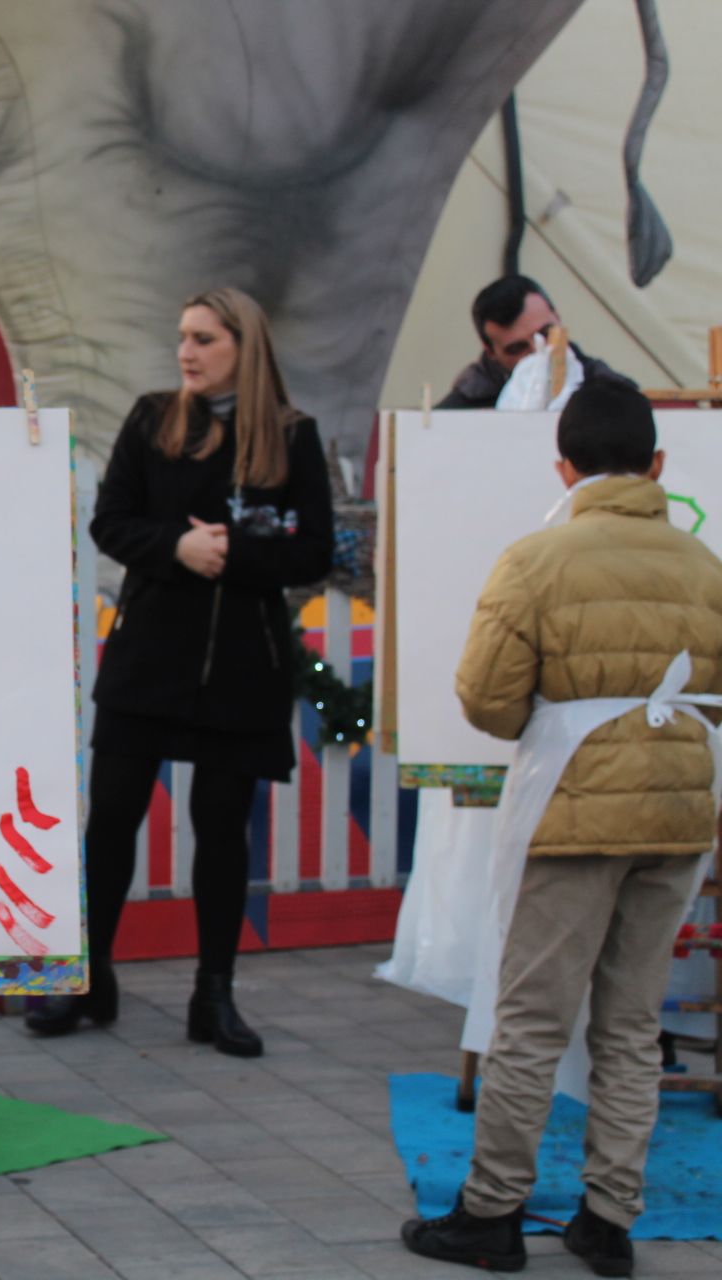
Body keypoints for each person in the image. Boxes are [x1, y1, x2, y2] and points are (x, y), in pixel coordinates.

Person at [401, 380, 722, 1277]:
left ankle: (492, 1212)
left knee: (532, 1020)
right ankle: (609, 1216)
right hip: (678, 811)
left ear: (565, 466)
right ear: (657, 466)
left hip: (573, 811)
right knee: (630, 1024)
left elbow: (485, 698)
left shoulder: (536, 559)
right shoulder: (707, 565)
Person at [27, 287, 334, 1053]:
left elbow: (314, 552)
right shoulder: (152, 418)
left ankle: (214, 996)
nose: (187, 352)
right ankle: (89, 981)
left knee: (222, 831)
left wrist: (234, 553)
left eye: (204, 338)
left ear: (244, 346)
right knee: (114, 822)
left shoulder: (292, 437)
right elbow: (111, 523)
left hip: (243, 666)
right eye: (183, 338)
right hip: (150, 655)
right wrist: (176, 547)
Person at [437, 275, 636, 410]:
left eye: (546, 334)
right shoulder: (462, 407)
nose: (536, 351)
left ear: (558, 318)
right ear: (491, 352)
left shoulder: (606, 386)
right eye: (517, 348)